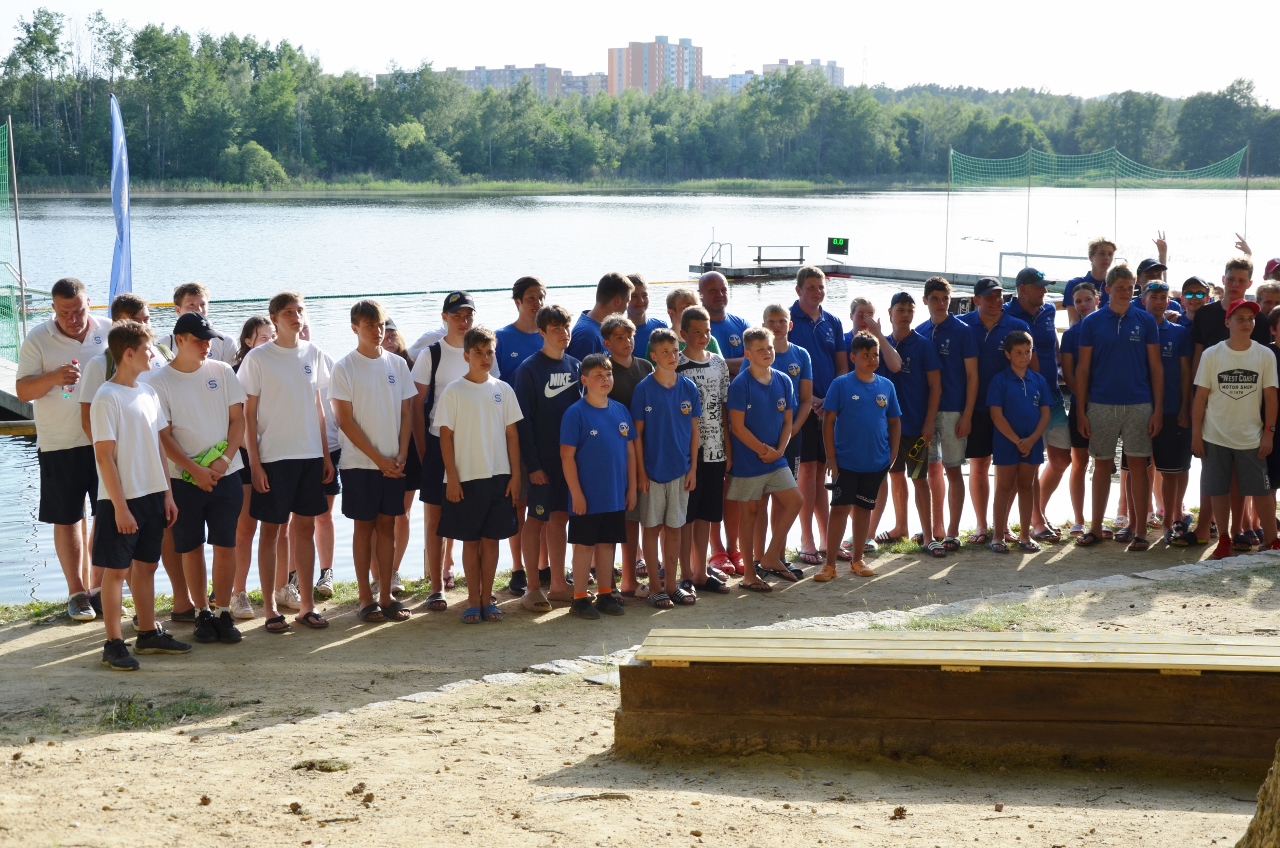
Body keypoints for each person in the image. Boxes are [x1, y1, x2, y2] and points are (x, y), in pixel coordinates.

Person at [78, 293, 190, 622]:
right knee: (116, 571)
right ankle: (113, 642)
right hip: (121, 501)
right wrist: (120, 507)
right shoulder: (106, 397)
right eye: (146, 349)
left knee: (147, 565)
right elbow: (104, 458)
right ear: (129, 353)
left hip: (153, 495)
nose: (153, 354)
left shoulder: (148, 391)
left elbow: (158, 446)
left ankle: (147, 632)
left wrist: (167, 494)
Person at [16, 277, 112, 621]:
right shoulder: (38, 338)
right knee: (68, 516)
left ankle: (100, 588)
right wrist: (53, 378)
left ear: (89, 302)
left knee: (108, 514)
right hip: (60, 442)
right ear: (53, 309)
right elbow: (24, 391)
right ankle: (76, 592)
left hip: (105, 439)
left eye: (78, 310)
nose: (73, 318)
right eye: (64, 312)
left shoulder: (109, 331)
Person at [239, 292, 334, 633]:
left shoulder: (315, 354)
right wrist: (255, 463)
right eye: (289, 312)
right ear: (275, 318)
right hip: (274, 458)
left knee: (305, 530)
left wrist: (325, 455)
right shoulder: (258, 358)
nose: (297, 316)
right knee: (271, 531)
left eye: (300, 311)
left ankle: (307, 606)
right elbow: (248, 415)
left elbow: (320, 409)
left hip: (310, 456)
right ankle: (270, 609)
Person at [151, 312, 246, 645]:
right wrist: (195, 470)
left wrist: (222, 462)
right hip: (183, 479)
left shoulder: (222, 372)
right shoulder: (158, 382)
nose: (206, 346)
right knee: (190, 547)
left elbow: (238, 421)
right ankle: (202, 613)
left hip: (226, 475)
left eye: (209, 340)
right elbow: (163, 436)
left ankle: (223, 612)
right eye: (199, 340)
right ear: (179, 340)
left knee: (225, 544)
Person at [331, 300, 415, 623]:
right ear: (355, 328)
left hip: (394, 462)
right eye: (370, 326)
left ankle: (385, 595)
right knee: (363, 528)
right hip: (359, 464)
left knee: (387, 526)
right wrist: (379, 459)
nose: (377, 332)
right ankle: (365, 598)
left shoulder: (398, 365)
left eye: (381, 326)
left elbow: (407, 412)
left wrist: (402, 453)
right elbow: (345, 421)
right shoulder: (345, 367)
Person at [436, 327, 523, 623]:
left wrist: (515, 475)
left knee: (491, 541)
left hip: (499, 477)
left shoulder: (503, 389)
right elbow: (445, 438)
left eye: (490, 353)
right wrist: (453, 478)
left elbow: (512, 435)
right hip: (466, 478)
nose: (485, 358)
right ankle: (473, 599)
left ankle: (488, 599)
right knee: (470, 542)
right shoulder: (454, 391)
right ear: (466, 355)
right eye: (478, 353)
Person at [1075, 265, 1163, 552]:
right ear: (1108, 289)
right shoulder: (1092, 322)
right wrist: (1080, 411)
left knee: (1138, 467)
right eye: (1121, 287)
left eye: (1130, 287)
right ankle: (1096, 528)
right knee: (1100, 466)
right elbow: (1083, 369)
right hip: (1100, 403)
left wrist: (1158, 409)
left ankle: (1140, 532)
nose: (1126, 292)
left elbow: (1156, 368)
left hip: (1139, 404)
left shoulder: (1146, 320)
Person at [1186, 257, 1267, 546]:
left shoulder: (1255, 320)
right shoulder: (1206, 315)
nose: (1235, 285)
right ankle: (1204, 526)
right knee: (1213, 472)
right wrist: (1191, 402)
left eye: (1241, 281)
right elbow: (1197, 359)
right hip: (1209, 402)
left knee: (1239, 472)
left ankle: (1239, 528)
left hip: (1244, 405)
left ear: (1249, 284)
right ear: (1223, 279)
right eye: (1231, 279)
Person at [1192, 299, 1278, 560]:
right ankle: (1225, 540)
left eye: (1250, 319)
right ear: (1227, 322)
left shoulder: (1264, 355)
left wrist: (1268, 433)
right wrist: (1196, 433)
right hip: (1215, 435)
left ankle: (1272, 540)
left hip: (1251, 437)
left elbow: (1272, 398)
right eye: (1239, 318)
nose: (1246, 323)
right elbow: (1200, 397)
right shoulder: (1212, 354)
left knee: (1262, 491)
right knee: (1217, 489)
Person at [512, 305, 581, 612]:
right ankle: (532, 587)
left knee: (560, 518)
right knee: (536, 518)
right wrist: (534, 465)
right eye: (556, 329)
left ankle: (558, 584)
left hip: (569, 460)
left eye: (566, 328)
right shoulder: (529, 369)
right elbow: (522, 422)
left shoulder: (577, 366)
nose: (563, 334)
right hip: (540, 460)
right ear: (541, 332)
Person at [817, 331, 900, 581]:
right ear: (853, 357)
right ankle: (830, 564)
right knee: (840, 509)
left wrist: (893, 453)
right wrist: (831, 457)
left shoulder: (886, 386)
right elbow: (828, 421)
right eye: (866, 355)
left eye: (875, 355)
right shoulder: (841, 384)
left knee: (864, 509)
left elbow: (895, 421)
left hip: (875, 462)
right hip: (846, 462)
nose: (872, 360)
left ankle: (857, 560)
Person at [411, 291, 475, 613]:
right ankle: (436, 588)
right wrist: (424, 451)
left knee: (472, 514)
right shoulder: (430, 355)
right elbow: (416, 406)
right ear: (444, 317)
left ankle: (476, 588)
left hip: (473, 444)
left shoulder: (478, 352)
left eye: (468, 316)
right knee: (435, 517)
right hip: (438, 441)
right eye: (457, 316)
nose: (463, 322)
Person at [560, 353, 636, 620]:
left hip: (614, 494)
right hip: (587, 497)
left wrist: (631, 488)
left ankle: (605, 594)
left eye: (608, 375)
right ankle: (580, 598)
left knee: (607, 544)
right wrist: (576, 493)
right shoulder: (575, 413)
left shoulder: (620, 410)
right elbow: (566, 456)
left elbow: (629, 453)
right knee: (584, 546)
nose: (605, 380)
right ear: (584, 380)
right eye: (598, 376)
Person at [726, 328, 802, 590]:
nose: (767, 352)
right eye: (760, 349)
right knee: (750, 512)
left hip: (776, 457)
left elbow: (788, 421)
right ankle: (749, 573)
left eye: (769, 347)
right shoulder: (740, 384)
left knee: (795, 501)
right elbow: (737, 427)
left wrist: (780, 450)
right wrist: (762, 449)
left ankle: (770, 556)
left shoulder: (784, 380)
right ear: (747, 354)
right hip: (749, 459)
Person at [959, 277, 1032, 546]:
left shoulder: (1017, 326)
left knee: (1008, 469)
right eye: (989, 296)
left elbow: (1029, 366)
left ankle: (1002, 525)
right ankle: (981, 524)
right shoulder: (963, 325)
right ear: (976, 299)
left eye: (999, 295)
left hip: (1009, 409)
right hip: (976, 407)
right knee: (979, 465)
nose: (996, 301)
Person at [631, 328, 701, 609]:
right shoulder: (644, 389)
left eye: (674, 351)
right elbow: (636, 436)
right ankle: (655, 588)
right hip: (652, 471)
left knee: (675, 528)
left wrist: (693, 468)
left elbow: (695, 432)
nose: (672, 357)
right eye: (665, 352)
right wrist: (641, 473)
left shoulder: (688, 388)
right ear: (653, 356)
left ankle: (672, 586)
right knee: (651, 527)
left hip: (681, 471)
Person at [868, 292, 942, 555]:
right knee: (892, 476)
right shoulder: (880, 344)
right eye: (901, 310)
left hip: (915, 427)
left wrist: (929, 422)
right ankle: (897, 529)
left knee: (919, 479)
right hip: (886, 429)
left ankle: (929, 536)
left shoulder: (923, 345)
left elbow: (935, 386)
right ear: (889, 313)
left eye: (910, 310)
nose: (906, 314)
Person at [788, 266, 847, 567]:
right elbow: (781, 364)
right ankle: (806, 539)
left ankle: (828, 540)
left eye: (821, 287)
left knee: (824, 471)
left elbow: (841, 366)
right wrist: (810, 402)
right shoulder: (788, 321)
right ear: (798, 290)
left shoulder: (833, 322)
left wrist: (830, 402)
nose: (817, 292)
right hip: (801, 409)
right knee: (806, 474)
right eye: (811, 287)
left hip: (828, 410)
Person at [1006, 268, 1068, 544]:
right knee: (1029, 462)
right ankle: (1035, 520)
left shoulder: (1048, 312)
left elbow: (1052, 341)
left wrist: (1059, 367)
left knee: (1061, 458)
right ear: (1023, 289)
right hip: (1026, 398)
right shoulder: (1008, 316)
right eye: (1040, 287)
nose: (1045, 291)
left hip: (1052, 394)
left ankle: (1036, 511)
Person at [915, 277, 978, 551]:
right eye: (935, 299)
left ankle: (952, 531)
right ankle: (933, 528)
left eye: (945, 299)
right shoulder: (919, 331)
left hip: (953, 410)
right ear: (925, 300)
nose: (941, 304)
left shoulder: (962, 331)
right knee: (929, 470)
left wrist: (967, 414)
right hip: (925, 413)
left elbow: (973, 376)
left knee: (953, 470)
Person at [494, 276, 547, 595]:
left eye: (541, 296)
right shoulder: (502, 338)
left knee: (544, 507)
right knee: (519, 502)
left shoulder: (549, 337)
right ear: (517, 302)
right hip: (512, 434)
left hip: (544, 435)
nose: (537, 302)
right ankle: (518, 569)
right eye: (530, 297)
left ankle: (543, 567)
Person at [675, 305, 732, 594]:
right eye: (696, 331)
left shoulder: (719, 363)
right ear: (683, 333)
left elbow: (724, 408)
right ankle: (684, 574)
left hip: (716, 450)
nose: (702, 335)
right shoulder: (677, 365)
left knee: (706, 516)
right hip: (688, 452)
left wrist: (728, 449)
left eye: (707, 330)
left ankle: (700, 572)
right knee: (686, 515)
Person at [1136, 282, 1194, 545]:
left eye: (1163, 298)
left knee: (1171, 471)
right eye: (1153, 297)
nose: (1158, 302)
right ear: (1143, 299)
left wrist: (1185, 406)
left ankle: (1170, 522)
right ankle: (1136, 525)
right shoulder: (1135, 330)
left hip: (1171, 410)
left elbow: (1185, 373)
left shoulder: (1178, 333)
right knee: (1136, 469)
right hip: (1138, 408)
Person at [602, 315, 653, 596]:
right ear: (607, 343)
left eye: (630, 336)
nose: (626, 342)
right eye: (619, 338)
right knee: (618, 517)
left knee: (640, 515)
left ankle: (631, 576)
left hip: (646, 451)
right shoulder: (604, 370)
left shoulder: (645, 367)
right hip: (614, 453)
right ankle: (614, 580)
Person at [987, 330, 1052, 554]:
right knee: (1004, 487)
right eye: (1018, 352)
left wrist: (1032, 440)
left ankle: (1025, 535)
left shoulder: (1039, 380)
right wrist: (1017, 441)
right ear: (1008, 354)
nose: (1024, 356)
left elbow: (1045, 414)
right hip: (1007, 442)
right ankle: (997, 536)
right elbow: (996, 415)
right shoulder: (1000, 380)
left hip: (1032, 443)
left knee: (1027, 486)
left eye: (1027, 352)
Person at [761, 303, 812, 577]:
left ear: (790, 325)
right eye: (771, 320)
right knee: (762, 499)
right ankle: (760, 558)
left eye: (782, 320)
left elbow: (805, 400)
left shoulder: (801, 355)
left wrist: (791, 431)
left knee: (785, 498)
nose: (777, 325)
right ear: (764, 325)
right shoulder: (759, 354)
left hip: (791, 438)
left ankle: (777, 555)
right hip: (763, 439)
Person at [370, 318, 419, 597]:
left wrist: (407, 451)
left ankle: (394, 569)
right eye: (382, 332)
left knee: (402, 514)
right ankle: (377, 575)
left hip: (406, 450)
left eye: (392, 333)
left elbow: (411, 413)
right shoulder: (366, 363)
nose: (387, 337)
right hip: (376, 453)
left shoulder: (406, 365)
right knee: (378, 517)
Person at [229, 316, 273, 619]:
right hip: (245, 459)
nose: (268, 342)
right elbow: (237, 423)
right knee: (245, 528)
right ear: (248, 341)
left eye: (272, 336)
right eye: (262, 337)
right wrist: (255, 453)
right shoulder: (234, 375)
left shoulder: (281, 368)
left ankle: (282, 587)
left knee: (277, 528)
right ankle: (238, 593)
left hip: (277, 456)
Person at [1058, 283, 1099, 536]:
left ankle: (1098, 518)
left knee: (1103, 463)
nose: (1083, 304)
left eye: (1087, 299)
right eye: (1078, 301)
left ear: (1097, 299)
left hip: (1107, 405)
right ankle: (1079, 519)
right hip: (1080, 406)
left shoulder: (1105, 328)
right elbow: (1070, 374)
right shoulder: (1071, 335)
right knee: (1079, 463)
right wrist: (1083, 400)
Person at [156, 282, 238, 363]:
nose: (199, 309)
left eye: (202, 304)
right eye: (191, 305)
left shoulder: (226, 342)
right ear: (178, 310)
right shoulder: (165, 344)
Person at [568, 272, 633, 361]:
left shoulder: (598, 328)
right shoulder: (587, 335)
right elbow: (578, 372)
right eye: (627, 301)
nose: (627, 307)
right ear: (617, 301)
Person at [698, 271, 749, 375]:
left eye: (724, 290)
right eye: (713, 291)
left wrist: (716, 363)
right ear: (700, 295)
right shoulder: (693, 328)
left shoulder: (742, 324)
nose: (720, 295)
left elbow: (755, 360)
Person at [1064, 236, 1116, 324]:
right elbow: (1073, 321)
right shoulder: (1074, 284)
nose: (1106, 258)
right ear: (1091, 257)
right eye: (1102, 253)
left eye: (1110, 254)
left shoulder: (1115, 286)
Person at [661, 288, 722, 359]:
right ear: (671, 313)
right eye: (687, 307)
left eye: (696, 306)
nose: (694, 311)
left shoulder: (709, 340)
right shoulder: (660, 342)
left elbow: (721, 367)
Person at [626, 273, 667, 365]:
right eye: (634, 296)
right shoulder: (620, 332)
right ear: (625, 298)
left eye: (644, 295)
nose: (641, 301)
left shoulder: (661, 327)